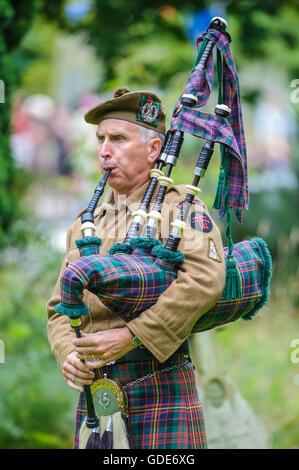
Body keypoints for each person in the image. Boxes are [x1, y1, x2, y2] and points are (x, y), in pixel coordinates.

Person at [47, 87, 226, 449]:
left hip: (162, 388)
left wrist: (133, 337)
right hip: (98, 398)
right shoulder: (86, 222)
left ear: (154, 149)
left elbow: (206, 280)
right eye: (100, 139)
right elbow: (58, 308)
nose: (104, 151)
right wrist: (67, 352)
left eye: (118, 139)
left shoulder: (181, 209)